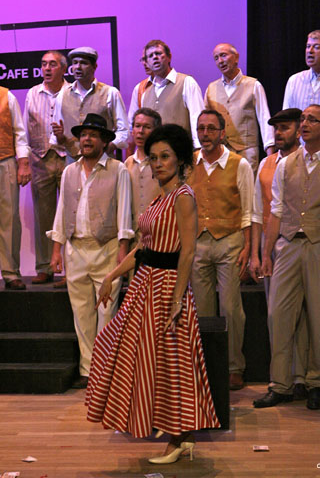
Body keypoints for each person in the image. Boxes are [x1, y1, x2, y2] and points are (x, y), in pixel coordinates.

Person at [85, 124, 220, 464]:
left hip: (166, 287)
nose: (158, 163)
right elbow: (144, 248)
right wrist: (111, 276)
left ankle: (180, 438)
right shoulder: (160, 197)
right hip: (145, 285)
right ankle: (170, 430)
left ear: (180, 160)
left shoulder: (183, 196)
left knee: (172, 363)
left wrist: (177, 298)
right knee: (137, 357)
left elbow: (188, 251)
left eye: (165, 157)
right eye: (154, 158)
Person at [253, 105, 320, 411]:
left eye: (312, 119)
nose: (305, 123)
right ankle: (280, 384)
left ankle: (317, 383)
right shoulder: (285, 164)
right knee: (278, 315)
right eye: (303, 119)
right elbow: (276, 210)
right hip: (288, 244)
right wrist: (267, 253)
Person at [48, 113, 133, 388]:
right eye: (83, 135)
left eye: (93, 135)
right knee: (82, 313)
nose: (86, 139)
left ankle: (104, 370)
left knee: (106, 313)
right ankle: (87, 370)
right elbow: (62, 211)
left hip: (106, 248)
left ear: (104, 141)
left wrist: (123, 248)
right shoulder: (70, 171)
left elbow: (124, 211)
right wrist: (57, 249)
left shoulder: (118, 169)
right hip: (76, 249)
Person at [188, 109, 254, 391]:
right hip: (198, 243)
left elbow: (249, 211)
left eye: (211, 129)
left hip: (229, 240)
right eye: (201, 128)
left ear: (222, 133)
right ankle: (207, 367)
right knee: (202, 310)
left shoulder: (239, 164)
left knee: (230, 308)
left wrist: (248, 248)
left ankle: (234, 367)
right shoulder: (189, 163)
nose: (205, 134)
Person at [249, 108, 308, 398]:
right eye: (276, 128)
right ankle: (281, 379)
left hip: (300, 239)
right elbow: (256, 212)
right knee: (276, 314)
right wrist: (257, 254)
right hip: (272, 243)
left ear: (298, 130)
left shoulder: (307, 162)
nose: (278, 133)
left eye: (285, 127)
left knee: (304, 314)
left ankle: (301, 377)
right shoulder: (266, 163)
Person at [24, 50, 68, 286]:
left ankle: (72, 269)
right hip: (41, 160)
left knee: (71, 215)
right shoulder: (33, 93)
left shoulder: (71, 92)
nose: (47, 69)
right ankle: (44, 267)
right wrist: (26, 160)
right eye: (44, 64)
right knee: (43, 216)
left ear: (63, 68)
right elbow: (25, 130)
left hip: (67, 158)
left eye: (52, 64)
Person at [204, 42, 274, 174]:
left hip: (247, 151)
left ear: (236, 57)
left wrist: (270, 154)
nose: (220, 61)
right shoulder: (211, 89)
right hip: (220, 152)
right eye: (216, 58)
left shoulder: (253, 85)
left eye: (223, 55)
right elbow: (205, 122)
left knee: (247, 185)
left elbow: (264, 119)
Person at [50, 47, 129, 160]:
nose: (78, 67)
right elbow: (57, 136)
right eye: (75, 63)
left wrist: (110, 146)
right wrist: (60, 137)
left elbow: (123, 130)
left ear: (94, 66)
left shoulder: (110, 93)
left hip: (103, 159)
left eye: (83, 63)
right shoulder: (62, 95)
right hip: (73, 160)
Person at [128, 40, 204, 148]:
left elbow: (197, 118)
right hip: (154, 153)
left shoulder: (186, 82)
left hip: (181, 152)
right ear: (147, 63)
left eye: (158, 53)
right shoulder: (145, 92)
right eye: (150, 56)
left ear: (169, 57)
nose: (155, 57)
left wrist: (199, 149)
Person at [0, 86, 31, 290]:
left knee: (9, 219)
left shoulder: (6, 96)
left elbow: (20, 133)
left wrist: (23, 162)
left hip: (5, 161)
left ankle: (10, 272)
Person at [124, 107, 161, 244]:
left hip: (158, 236)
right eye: (137, 126)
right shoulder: (127, 164)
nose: (141, 131)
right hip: (133, 238)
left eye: (147, 127)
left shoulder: (163, 164)